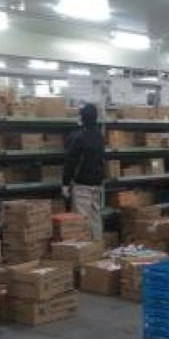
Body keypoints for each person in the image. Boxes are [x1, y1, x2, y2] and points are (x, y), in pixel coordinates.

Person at [62, 103, 105, 240]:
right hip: (97, 184)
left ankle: (85, 249)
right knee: (95, 217)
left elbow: (71, 162)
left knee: (82, 220)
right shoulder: (100, 137)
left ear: (82, 118)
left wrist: (65, 183)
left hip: (82, 184)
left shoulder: (79, 138)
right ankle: (97, 245)